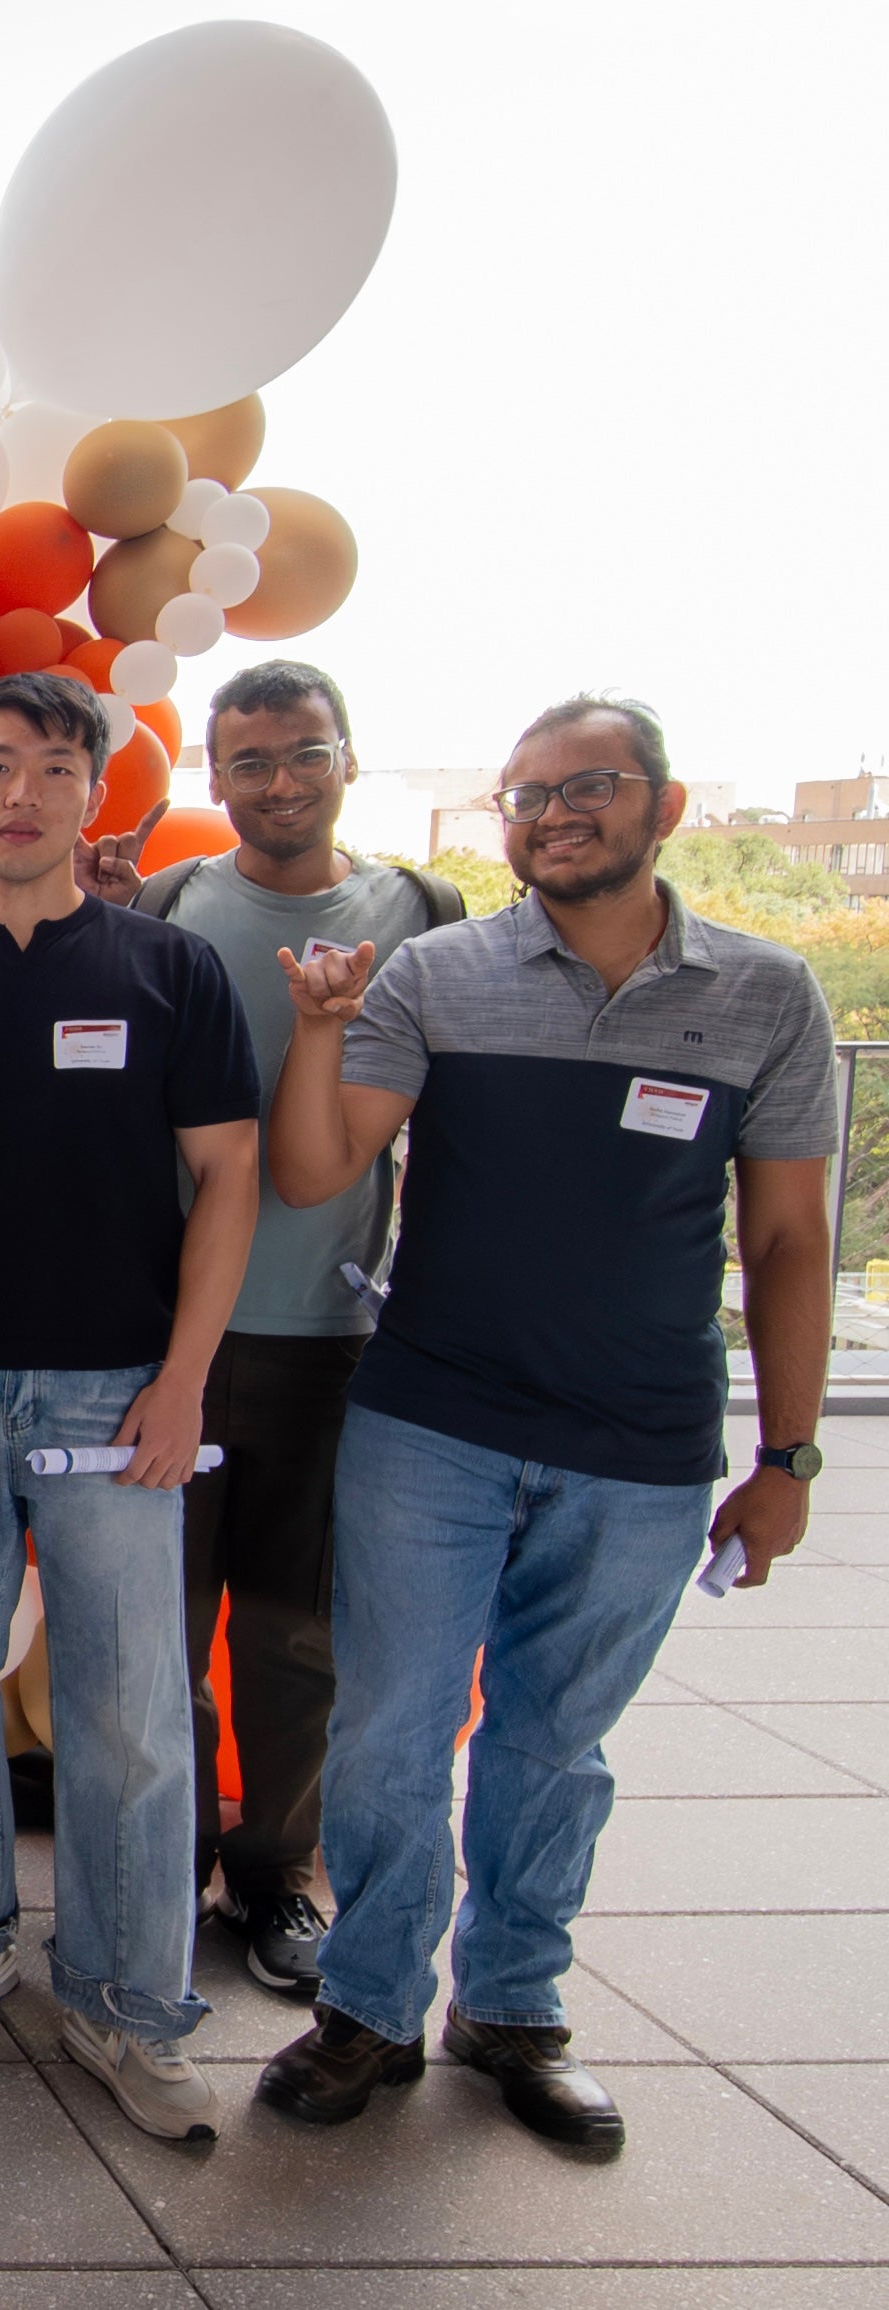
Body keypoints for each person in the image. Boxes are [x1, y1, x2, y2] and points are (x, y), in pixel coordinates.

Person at [257, 696, 835, 2150]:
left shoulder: (767, 996)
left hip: (640, 1443)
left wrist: (788, 1456)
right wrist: (323, 1031)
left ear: (667, 802)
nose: (553, 814)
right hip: (432, 1421)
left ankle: (512, 2004)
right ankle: (371, 2006)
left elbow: (786, 1245)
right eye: (525, 796)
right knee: (390, 1730)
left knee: (554, 1745)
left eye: (588, 787)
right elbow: (320, 1162)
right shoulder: (439, 972)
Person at [0, 670, 262, 2142]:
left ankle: (130, 2005)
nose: (22, 791)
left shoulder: (167, 970)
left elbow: (231, 1183)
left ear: (94, 793)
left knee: (131, 1709)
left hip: (115, 1388)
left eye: (55, 766)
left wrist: (183, 1379)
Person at [93, 661, 466, 1998]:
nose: (278, 781)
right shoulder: (182, 906)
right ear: (213, 776)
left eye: (302, 752)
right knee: (165, 1626)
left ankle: (275, 1872)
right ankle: (173, 1858)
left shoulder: (420, 915)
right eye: (247, 761)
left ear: (348, 758)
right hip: (172, 1331)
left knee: (297, 1632)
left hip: (332, 1333)